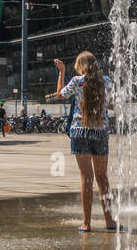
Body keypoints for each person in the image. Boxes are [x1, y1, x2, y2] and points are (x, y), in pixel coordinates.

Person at [49, 51, 116, 232]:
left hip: (80, 132)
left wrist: (61, 72)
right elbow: (113, 104)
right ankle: (109, 221)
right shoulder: (107, 81)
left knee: (87, 178)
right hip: (100, 132)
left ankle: (87, 223)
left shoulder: (77, 82)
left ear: (80, 66)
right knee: (102, 178)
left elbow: (60, 94)